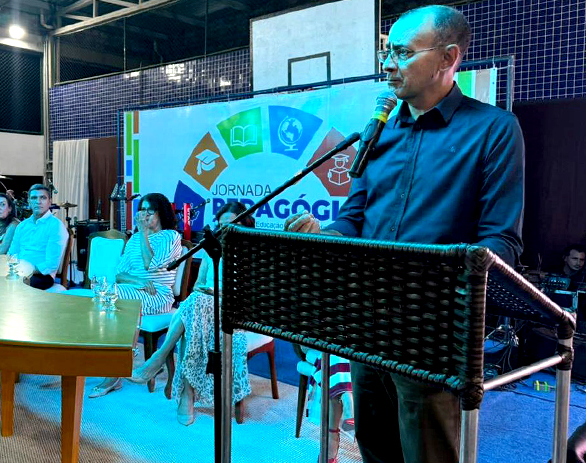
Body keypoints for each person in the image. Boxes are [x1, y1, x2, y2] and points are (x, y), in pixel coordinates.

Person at [285, 6, 524, 463]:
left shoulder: (493, 129)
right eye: (386, 53)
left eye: (402, 53)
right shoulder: (378, 134)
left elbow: (501, 243)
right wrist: (322, 232)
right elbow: (352, 220)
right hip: (365, 324)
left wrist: (441, 290)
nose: (389, 65)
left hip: (430, 332)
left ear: (448, 58)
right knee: (374, 448)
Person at [129, 201, 250, 425]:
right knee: (194, 306)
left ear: (244, 225)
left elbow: (249, 295)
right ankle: (183, 390)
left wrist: (216, 292)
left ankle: (166, 366)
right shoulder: (212, 250)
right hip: (205, 306)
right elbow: (198, 286)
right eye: (222, 225)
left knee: (192, 308)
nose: (226, 230)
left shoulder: (251, 253)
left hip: (234, 310)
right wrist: (207, 292)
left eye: (232, 225)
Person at [89, 192, 182, 399]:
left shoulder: (170, 237)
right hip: (135, 289)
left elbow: (151, 264)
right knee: (102, 295)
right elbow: (120, 274)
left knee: (111, 297)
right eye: (142, 210)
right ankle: (113, 365)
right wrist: (138, 281)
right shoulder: (134, 240)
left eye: (150, 211)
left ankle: (115, 372)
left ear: (161, 213)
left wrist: (144, 233)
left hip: (158, 295)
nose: (145, 215)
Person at [7, 184, 69, 290]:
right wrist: (15, 268)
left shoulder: (56, 226)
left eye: (43, 198)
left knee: (13, 286)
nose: (38, 201)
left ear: (49, 202)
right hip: (18, 271)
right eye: (34, 198)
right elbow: (12, 253)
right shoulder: (22, 226)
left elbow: (51, 264)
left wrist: (27, 271)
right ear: (29, 202)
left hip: (41, 275)